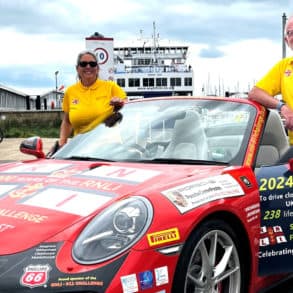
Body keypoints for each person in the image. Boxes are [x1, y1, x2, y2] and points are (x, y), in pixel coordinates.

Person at [54, 50, 127, 152]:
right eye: (83, 64)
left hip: (110, 149)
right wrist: (62, 142)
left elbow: (128, 109)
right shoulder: (70, 91)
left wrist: (120, 104)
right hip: (79, 149)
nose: (88, 67)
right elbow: (67, 121)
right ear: (77, 68)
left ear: (97, 68)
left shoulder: (111, 87)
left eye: (92, 64)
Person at [248, 15, 293, 145]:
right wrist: (283, 107)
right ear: (286, 40)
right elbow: (255, 93)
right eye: (291, 33)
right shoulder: (284, 67)